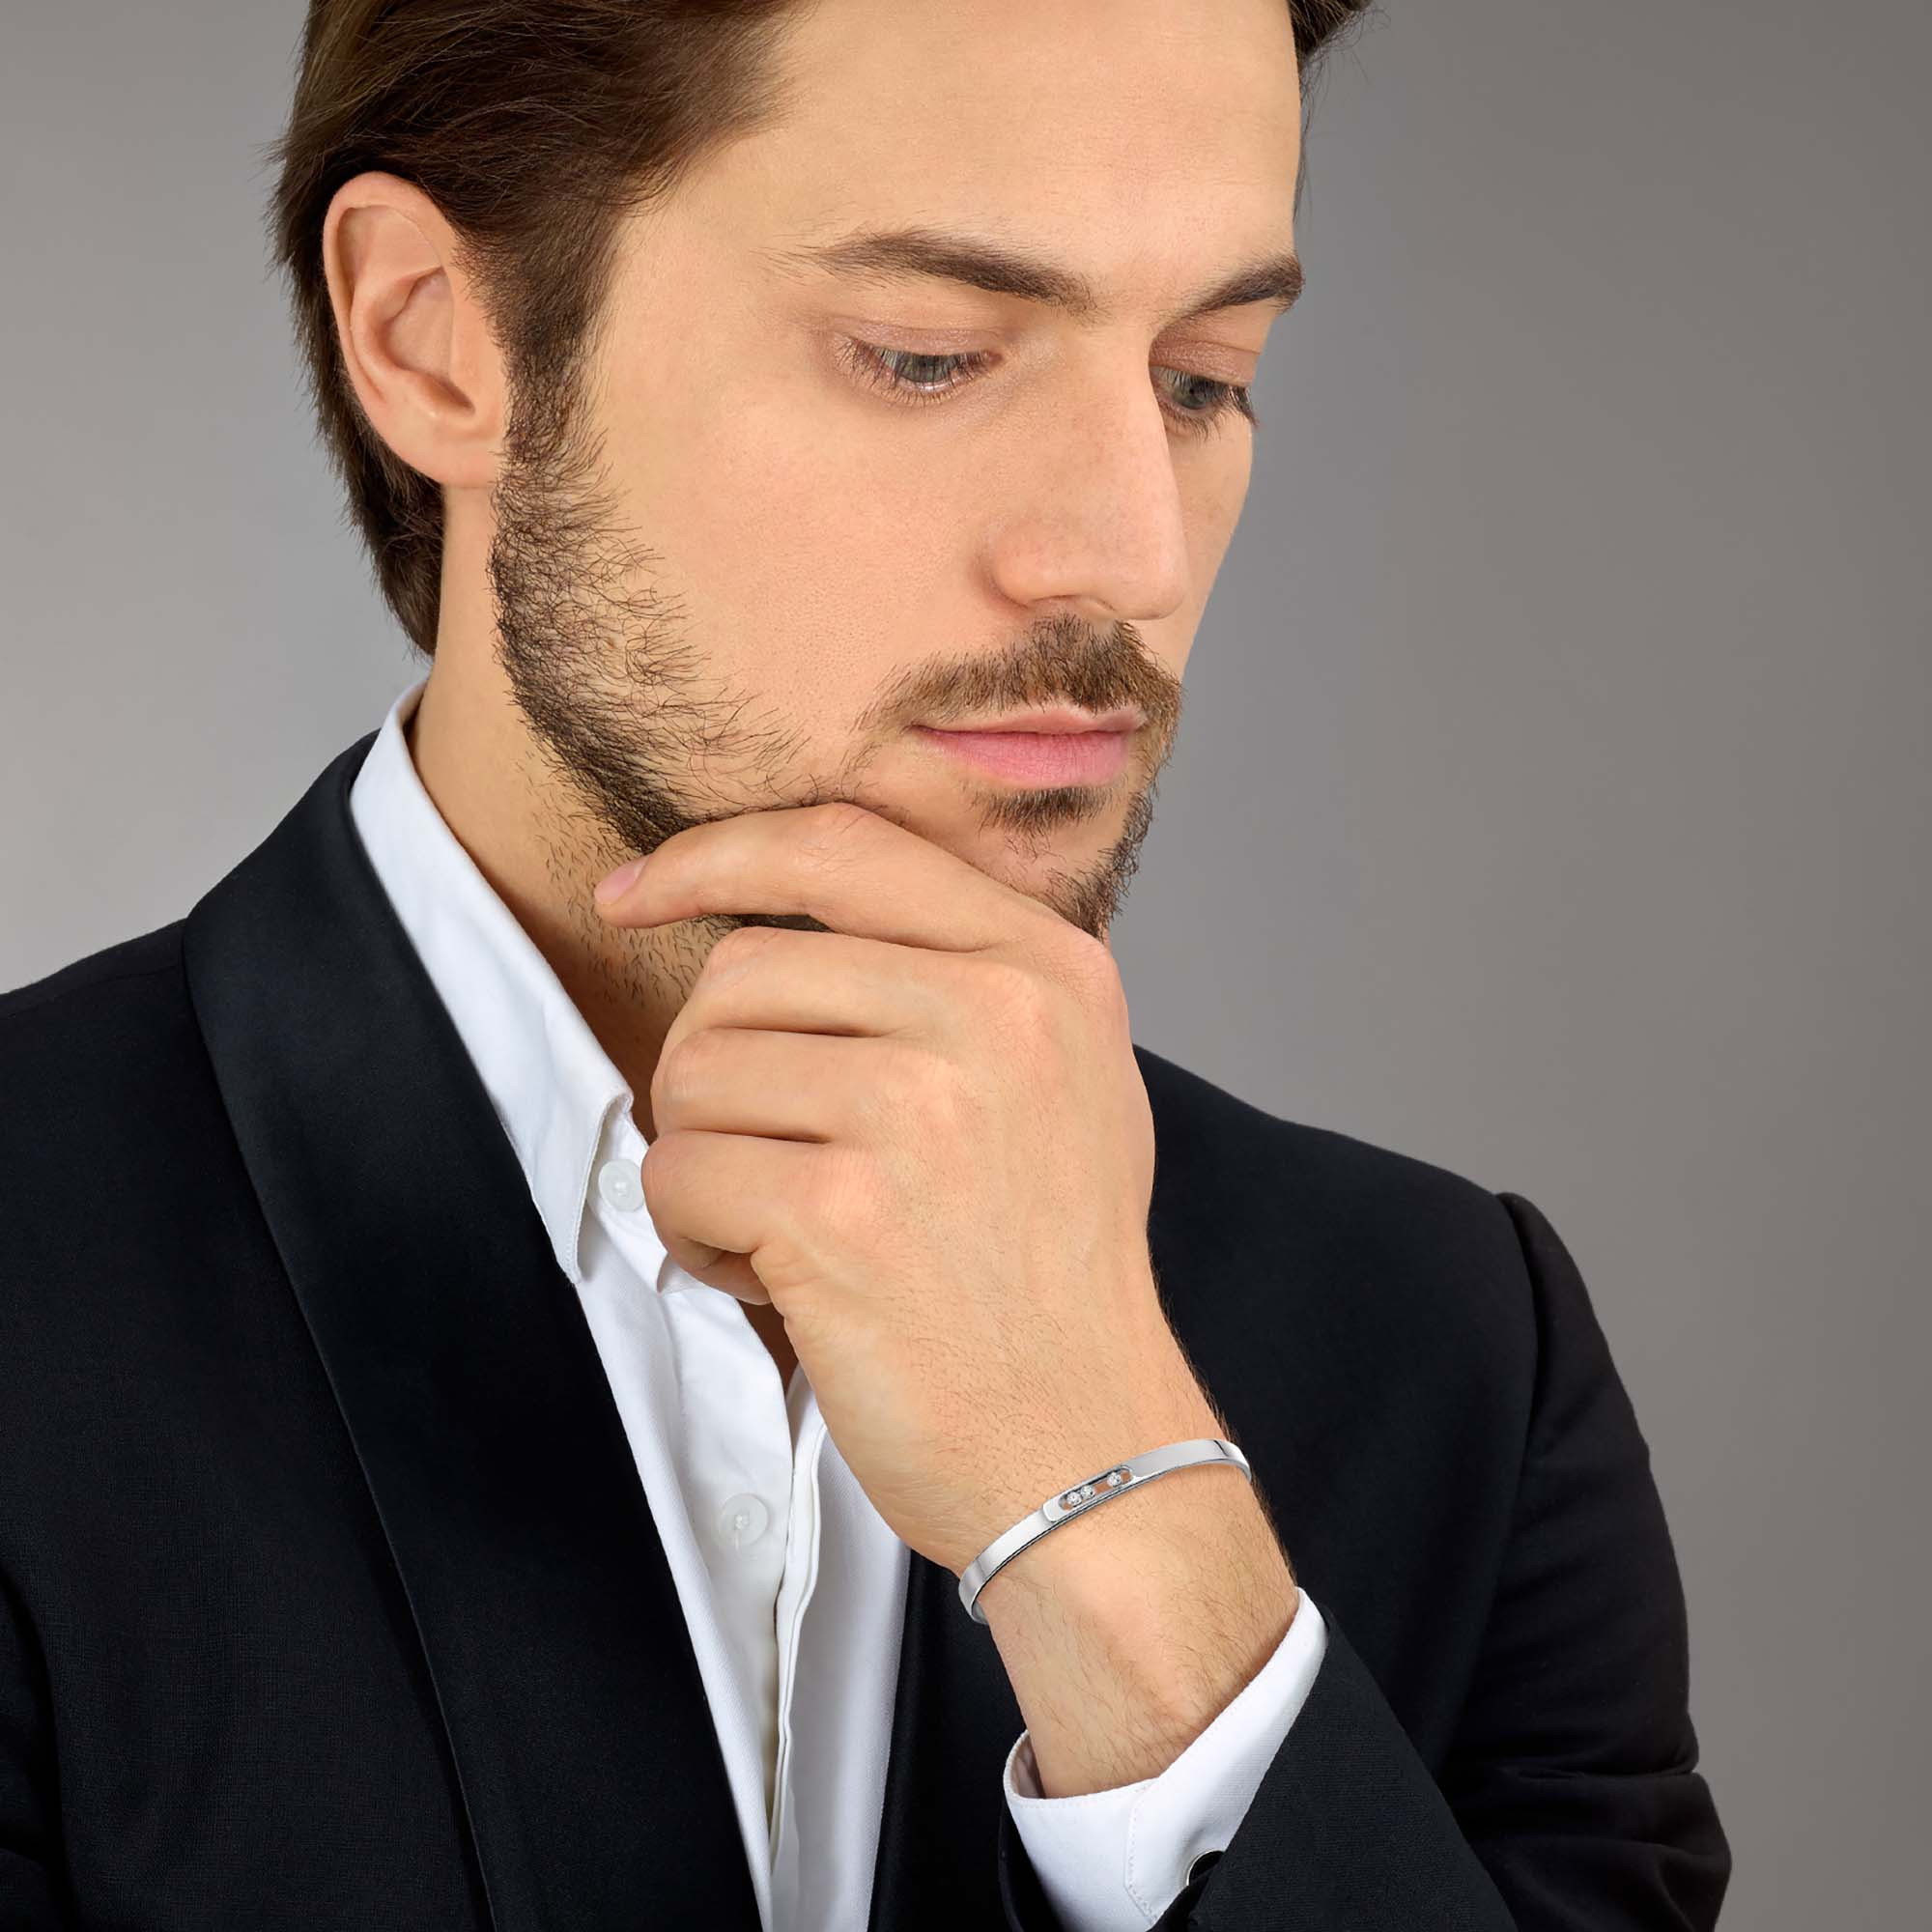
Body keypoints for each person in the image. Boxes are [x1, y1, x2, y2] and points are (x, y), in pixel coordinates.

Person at [0, 2, 1732, 1926]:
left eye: (1201, 378)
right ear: (432, 335)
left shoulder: (1457, 1361)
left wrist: (1126, 1536)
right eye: (928, 355)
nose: (1129, 556)